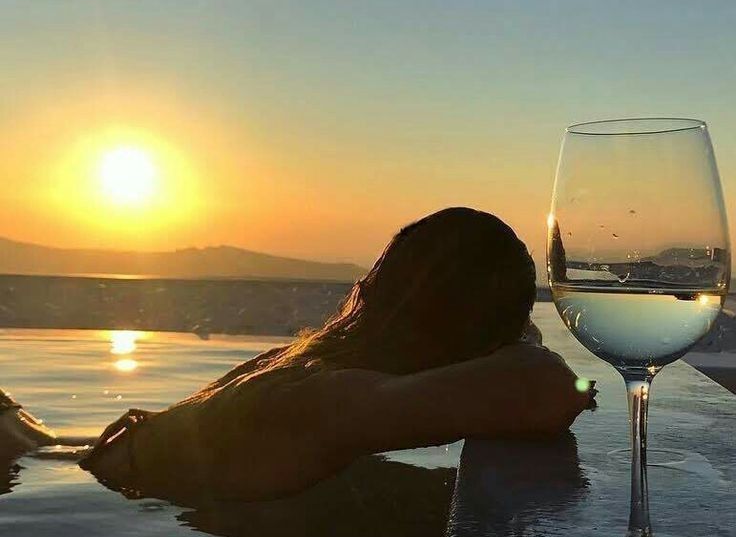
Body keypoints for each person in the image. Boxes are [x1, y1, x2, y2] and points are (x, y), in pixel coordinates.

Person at [0, 208, 594, 506]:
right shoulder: (327, 398)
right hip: (81, 476)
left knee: (39, 443)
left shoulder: (317, 366)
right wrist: (517, 342)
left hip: (84, 460)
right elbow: (547, 390)